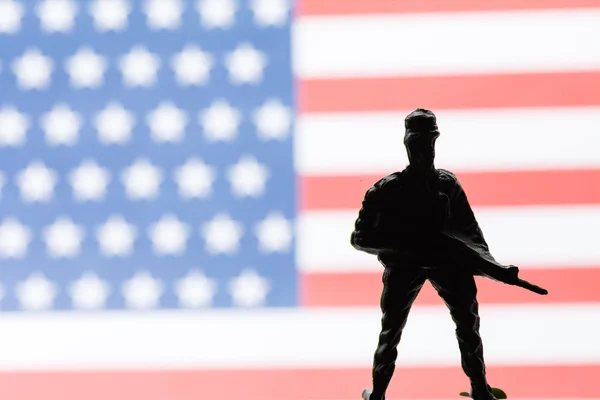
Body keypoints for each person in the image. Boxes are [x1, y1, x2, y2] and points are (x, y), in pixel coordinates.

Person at [351, 109, 546, 400]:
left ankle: (480, 389)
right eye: (417, 144)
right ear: (407, 145)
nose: (424, 150)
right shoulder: (386, 190)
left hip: (448, 262)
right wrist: (408, 245)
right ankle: (378, 393)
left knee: (468, 326)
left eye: (428, 143)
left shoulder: (447, 185)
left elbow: (470, 234)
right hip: (405, 265)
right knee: (390, 330)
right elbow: (360, 238)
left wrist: (496, 268)